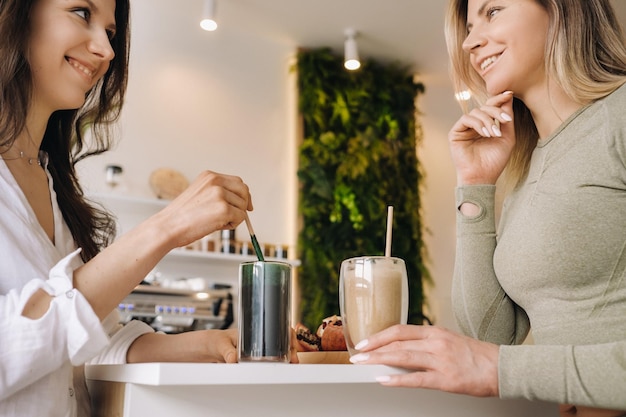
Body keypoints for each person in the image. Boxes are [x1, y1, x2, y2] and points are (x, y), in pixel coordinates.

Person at [0, 0, 297, 416]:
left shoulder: (54, 188)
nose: (105, 50)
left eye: (111, 32)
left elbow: (89, 344)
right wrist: (166, 228)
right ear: (15, 14)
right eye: (82, 13)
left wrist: (203, 343)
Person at [349, 0, 626, 415]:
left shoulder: (618, 118)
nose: (470, 42)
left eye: (493, 11)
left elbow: (493, 359)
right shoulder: (527, 168)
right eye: (469, 25)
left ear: (562, 9)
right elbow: (492, 333)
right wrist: (474, 185)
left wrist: (499, 369)